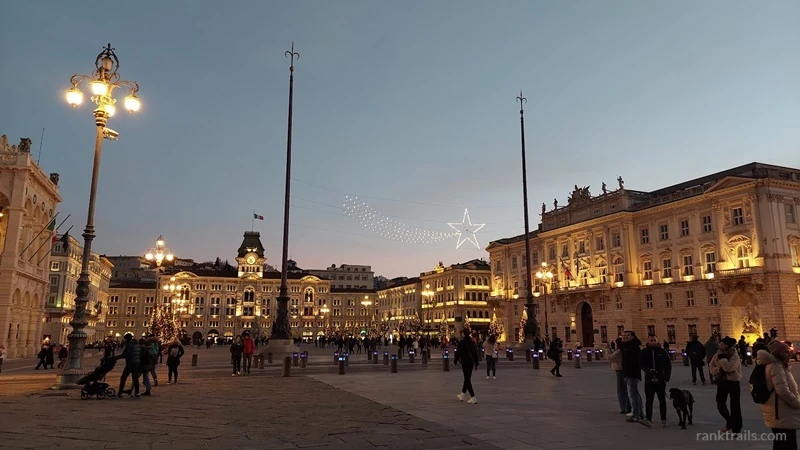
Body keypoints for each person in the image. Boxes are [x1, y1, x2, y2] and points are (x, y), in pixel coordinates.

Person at [755, 340, 800, 450]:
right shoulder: (776, 366)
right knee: (788, 444)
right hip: (782, 413)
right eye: (786, 352)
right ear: (777, 353)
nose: (789, 354)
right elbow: (783, 391)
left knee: (780, 443)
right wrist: (797, 403)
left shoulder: (775, 365)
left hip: (778, 412)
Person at [709, 336, 742, 435]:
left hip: (733, 382)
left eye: (723, 344)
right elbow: (711, 366)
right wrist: (717, 370)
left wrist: (722, 360)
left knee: (735, 406)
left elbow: (729, 368)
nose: (720, 345)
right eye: (720, 343)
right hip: (722, 382)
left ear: (727, 346)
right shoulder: (717, 355)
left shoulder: (735, 356)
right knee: (720, 403)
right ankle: (730, 421)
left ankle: (736, 429)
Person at [640, 334, 672, 427]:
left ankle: (664, 419)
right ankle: (648, 418)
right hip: (649, 379)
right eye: (651, 340)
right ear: (648, 341)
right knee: (649, 400)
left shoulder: (662, 352)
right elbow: (641, 364)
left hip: (660, 379)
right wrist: (648, 370)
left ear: (657, 341)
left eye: (654, 340)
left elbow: (668, 365)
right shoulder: (644, 352)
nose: (653, 342)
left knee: (662, 400)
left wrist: (667, 377)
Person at [621, 330, 644, 423]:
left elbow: (634, 362)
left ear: (633, 336)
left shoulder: (634, 347)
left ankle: (636, 415)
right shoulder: (628, 345)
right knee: (635, 394)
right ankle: (640, 413)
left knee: (633, 394)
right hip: (629, 372)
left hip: (632, 373)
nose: (625, 337)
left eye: (628, 335)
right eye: (624, 335)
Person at [454, 328, 479, 404]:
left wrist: (455, 360)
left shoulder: (461, 342)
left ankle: (473, 397)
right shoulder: (472, 342)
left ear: (463, 334)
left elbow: (458, 352)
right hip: (471, 362)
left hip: (465, 361)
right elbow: (475, 353)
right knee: (467, 378)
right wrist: (476, 362)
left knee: (467, 379)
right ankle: (462, 394)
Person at [116, 333, 141, 398]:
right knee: (135, 379)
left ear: (127, 339)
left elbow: (125, 354)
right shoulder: (136, 344)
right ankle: (137, 393)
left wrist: (115, 358)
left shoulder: (129, 345)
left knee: (123, 377)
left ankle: (120, 392)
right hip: (136, 363)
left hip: (130, 363)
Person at [609, 337, 630, 415]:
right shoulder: (625, 350)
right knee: (625, 389)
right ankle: (627, 406)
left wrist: (608, 350)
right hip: (624, 370)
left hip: (620, 370)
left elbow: (610, 358)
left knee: (621, 390)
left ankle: (624, 408)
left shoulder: (618, 351)